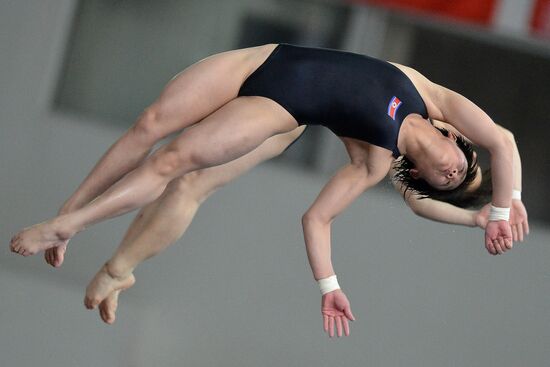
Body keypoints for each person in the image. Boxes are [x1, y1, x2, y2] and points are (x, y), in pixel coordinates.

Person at [9, 43, 524, 337]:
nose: (453, 173)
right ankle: (67, 219)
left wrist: (479, 219)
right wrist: (505, 205)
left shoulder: (375, 161)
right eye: (463, 167)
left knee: (183, 168)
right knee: (149, 124)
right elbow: (502, 140)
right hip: (264, 60)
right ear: (457, 138)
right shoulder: (430, 94)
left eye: (451, 184)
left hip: (281, 115)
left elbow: (352, 214)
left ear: (421, 181)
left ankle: (110, 262)